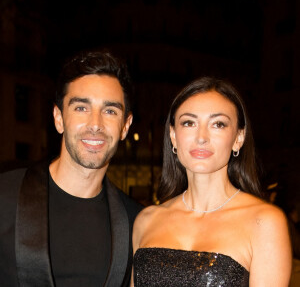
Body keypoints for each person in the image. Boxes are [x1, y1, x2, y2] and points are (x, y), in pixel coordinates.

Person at [0, 50, 143, 287]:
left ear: (125, 126)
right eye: (81, 108)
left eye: (110, 111)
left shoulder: (135, 222)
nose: (95, 124)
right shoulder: (4, 195)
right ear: (58, 118)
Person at [132, 77, 292, 286]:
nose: (201, 137)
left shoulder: (265, 222)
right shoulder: (146, 221)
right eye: (189, 123)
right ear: (173, 135)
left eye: (218, 124)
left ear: (238, 138)